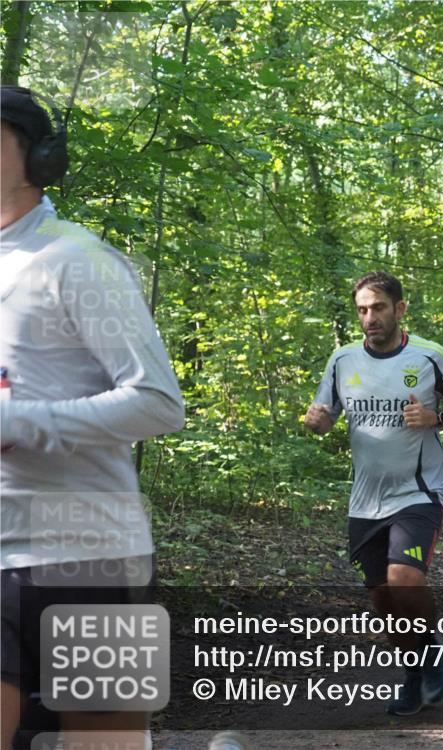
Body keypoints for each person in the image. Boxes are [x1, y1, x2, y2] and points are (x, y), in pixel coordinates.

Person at [1, 86, 185, 748]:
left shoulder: (78, 260)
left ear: (39, 158)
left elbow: (159, 402)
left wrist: (20, 422)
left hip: (89, 554)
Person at [305, 271, 443, 716]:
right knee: (383, 600)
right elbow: (326, 416)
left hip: (417, 492)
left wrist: (436, 418)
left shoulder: (430, 356)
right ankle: (414, 673)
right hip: (365, 500)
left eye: (378, 307)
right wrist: (318, 423)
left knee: (405, 580)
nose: (369, 317)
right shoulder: (341, 360)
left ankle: (432, 660)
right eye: (362, 309)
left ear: (399, 309)